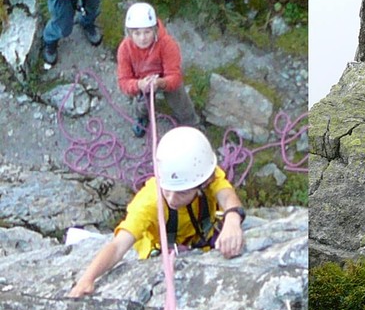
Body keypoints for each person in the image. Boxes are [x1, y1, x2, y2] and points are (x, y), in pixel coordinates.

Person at [68, 127, 245, 297]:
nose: (172, 199)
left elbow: (227, 196)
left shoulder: (205, 176)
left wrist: (232, 221)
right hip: (161, 252)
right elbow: (118, 246)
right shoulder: (149, 202)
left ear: (203, 184)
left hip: (201, 238)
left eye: (182, 192)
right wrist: (87, 279)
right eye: (167, 189)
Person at [117, 2, 200, 137]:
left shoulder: (167, 44)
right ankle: (142, 117)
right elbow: (123, 82)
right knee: (142, 104)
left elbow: (174, 76)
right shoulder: (125, 49)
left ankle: (191, 123)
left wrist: (161, 83)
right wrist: (139, 85)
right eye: (137, 33)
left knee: (178, 95)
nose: (142, 38)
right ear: (129, 33)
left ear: (155, 30)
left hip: (163, 77)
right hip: (141, 81)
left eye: (147, 32)